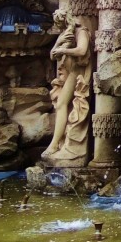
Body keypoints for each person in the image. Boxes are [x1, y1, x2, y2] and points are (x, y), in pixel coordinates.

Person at [40, 9, 92, 167]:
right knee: (61, 104)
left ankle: (56, 144)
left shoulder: (81, 31)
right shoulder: (66, 33)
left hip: (79, 72)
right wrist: (58, 43)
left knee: (62, 104)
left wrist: (63, 49)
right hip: (70, 72)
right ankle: (57, 143)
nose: (60, 27)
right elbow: (52, 55)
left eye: (61, 23)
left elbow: (82, 50)